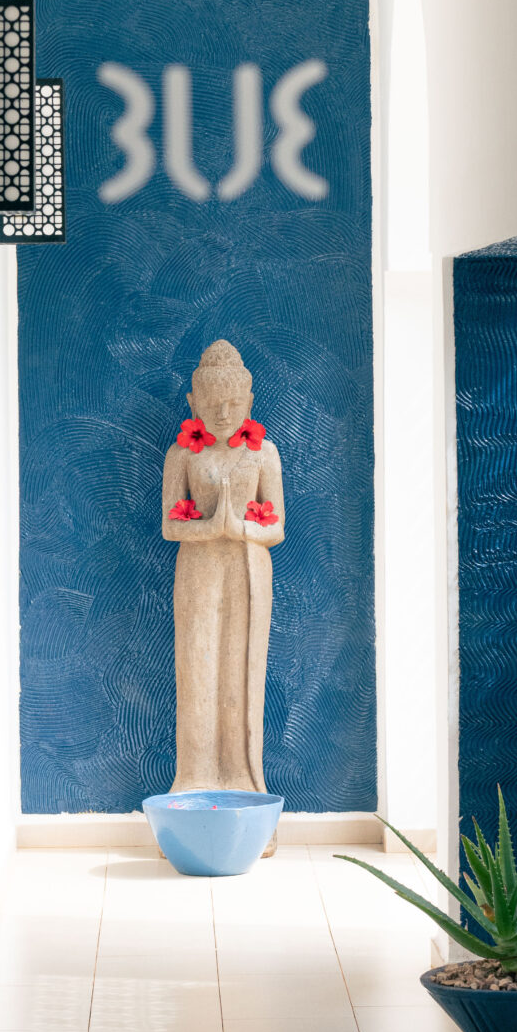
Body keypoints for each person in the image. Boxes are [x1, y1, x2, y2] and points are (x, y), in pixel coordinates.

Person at [161, 339, 284, 804]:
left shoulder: (261, 453)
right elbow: (171, 525)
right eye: (212, 403)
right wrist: (211, 528)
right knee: (198, 666)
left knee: (241, 668)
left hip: (248, 568)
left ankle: (242, 778)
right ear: (194, 403)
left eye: (234, 403)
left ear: (250, 403)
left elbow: (277, 528)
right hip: (198, 570)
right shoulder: (184, 454)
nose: (223, 412)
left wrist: (240, 529)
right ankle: (194, 775)